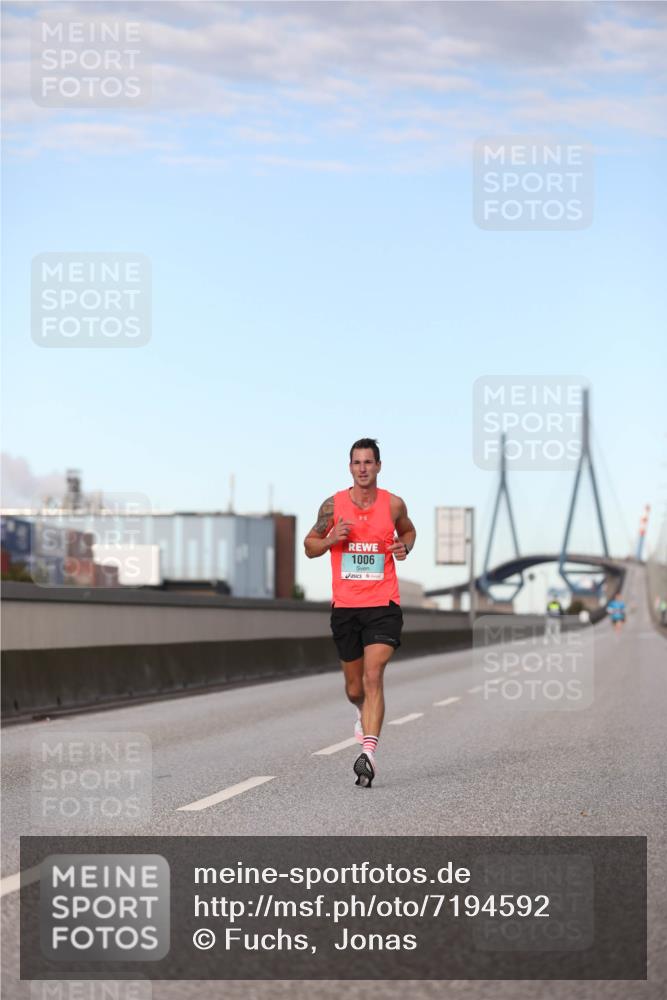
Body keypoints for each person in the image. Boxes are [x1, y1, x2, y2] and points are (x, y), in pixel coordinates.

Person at [304, 438, 416, 788]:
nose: (363, 468)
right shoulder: (333, 505)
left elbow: (409, 531)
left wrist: (404, 546)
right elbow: (309, 547)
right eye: (357, 462)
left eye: (369, 462)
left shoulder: (393, 504)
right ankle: (359, 712)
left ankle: (368, 753)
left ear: (379, 466)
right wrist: (330, 539)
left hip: (383, 605)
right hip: (346, 609)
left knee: (373, 674)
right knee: (355, 688)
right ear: (350, 467)